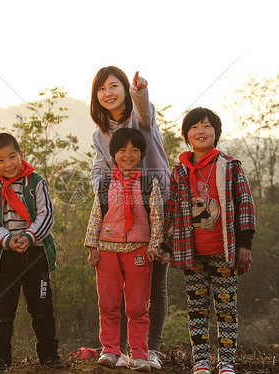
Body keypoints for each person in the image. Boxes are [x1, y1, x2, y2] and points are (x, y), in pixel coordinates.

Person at [163, 108, 256, 374]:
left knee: (226, 307)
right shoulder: (180, 171)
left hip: (224, 250)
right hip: (191, 252)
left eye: (206, 127)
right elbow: (171, 209)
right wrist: (166, 245)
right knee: (196, 307)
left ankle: (226, 362)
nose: (200, 132)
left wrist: (244, 243)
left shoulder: (229, 166)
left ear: (216, 133)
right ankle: (201, 361)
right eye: (194, 128)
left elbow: (245, 204)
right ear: (186, 136)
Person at [90, 66, 170, 369]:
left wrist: (140, 91)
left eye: (114, 86)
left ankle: (150, 349)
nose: (108, 93)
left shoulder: (140, 119)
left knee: (154, 282)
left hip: (158, 202)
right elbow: (100, 167)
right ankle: (119, 350)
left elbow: (144, 110)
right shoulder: (100, 134)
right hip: (121, 213)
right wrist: (103, 194)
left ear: (124, 89)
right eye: (102, 89)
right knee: (118, 285)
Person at [0, 133, 63, 373]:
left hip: (35, 253)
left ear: (21, 155)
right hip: (4, 256)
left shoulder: (36, 181)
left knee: (42, 308)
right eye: (1, 160)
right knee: (2, 311)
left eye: (12, 157)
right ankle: (0, 359)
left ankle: (49, 355)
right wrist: (6, 239)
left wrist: (29, 237)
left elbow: (46, 215)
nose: (8, 164)